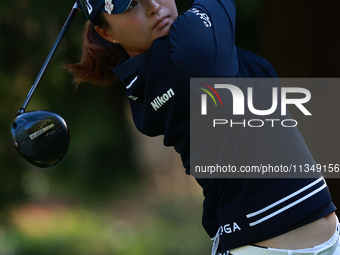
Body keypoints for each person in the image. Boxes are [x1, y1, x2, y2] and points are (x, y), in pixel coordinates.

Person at [67, 0, 339, 254]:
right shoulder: (187, 51)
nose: (153, 7)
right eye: (132, 4)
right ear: (107, 32)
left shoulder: (146, 77)